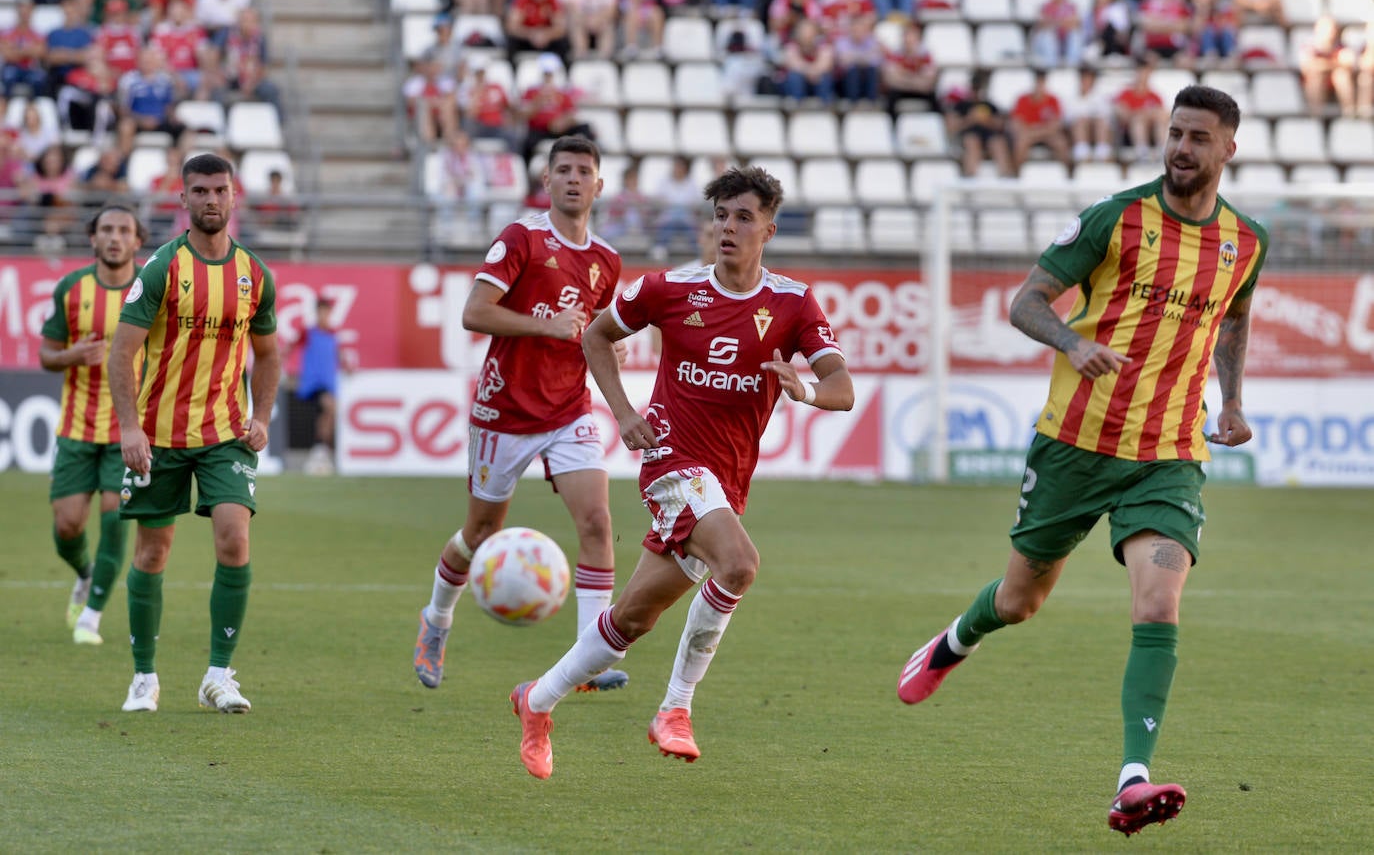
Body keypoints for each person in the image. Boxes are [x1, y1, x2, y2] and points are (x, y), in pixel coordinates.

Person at [896, 85, 1265, 837]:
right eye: (1175, 134)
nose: (1182, 149)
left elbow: (1233, 321)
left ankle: (1133, 779)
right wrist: (1071, 341)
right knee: (1020, 601)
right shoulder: (1116, 218)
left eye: (1199, 137)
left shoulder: (1245, 242)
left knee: (1159, 603)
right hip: (1074, 442)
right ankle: (954, 640)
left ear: (1230, 149)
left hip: (1167, 454)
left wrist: (1230, 403)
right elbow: (1026, 301)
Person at [509, 165, 854, 780]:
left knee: (633, 619)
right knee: (740, 564)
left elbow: (842, 387)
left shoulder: (792, 302)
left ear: (768, 229)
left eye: (743, 217)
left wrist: (806, 393)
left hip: (725, 482)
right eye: (720, 215)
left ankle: (536, 702)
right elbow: (595, 336)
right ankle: (675, 710)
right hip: (671, 463)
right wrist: (623, 412)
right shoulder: (669, 289)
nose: (728, 227)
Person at [410, 135, 629, 696]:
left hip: (569, 408)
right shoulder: (522, 239)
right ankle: (435, 622)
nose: (575, 179)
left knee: (599, 523)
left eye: (585, 171)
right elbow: (474, 313)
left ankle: (589, 658)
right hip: (504, 409)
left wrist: (607, 347)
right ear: (548, 182)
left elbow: (594, 332)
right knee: (481, 531)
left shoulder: (606, 260)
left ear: (599, 185)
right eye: (564, 170)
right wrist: (545, 326)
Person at [107, 152, 280, 714]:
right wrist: (130, 428)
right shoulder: (161, 268)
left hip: (226, 433)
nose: (211, 200)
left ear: (234, 197)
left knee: (234, 538)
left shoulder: (254, 274)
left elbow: (269, 355)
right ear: (182, 199)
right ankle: (143, 677)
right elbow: (122, 354)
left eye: (220, 191)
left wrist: (263, 416)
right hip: (157, 437)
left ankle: (218, 675)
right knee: (153, 553)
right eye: (200, 191)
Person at [39, 203, 148, 645]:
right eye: (107, 229)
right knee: (67, 527)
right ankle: (84, 573)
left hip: (126, 429)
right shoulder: (71, 288)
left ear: (138, 241)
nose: (115, 237)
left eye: (124, 230)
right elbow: (47, 354)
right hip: (76, 429)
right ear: (93, 238)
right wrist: (71, 355)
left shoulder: (150, 288)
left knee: (115, 518)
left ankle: (92, 616)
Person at [294, 296, 344, 475]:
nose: (324, 314)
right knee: (329, 409)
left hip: (329, 383)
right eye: (321, 310)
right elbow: (289, 348)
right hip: (314, 383)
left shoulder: (333, 334)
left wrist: (347, 365)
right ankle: (321, 449)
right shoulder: (308, 332)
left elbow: (339, 355)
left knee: (326, 417)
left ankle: (321, 450)